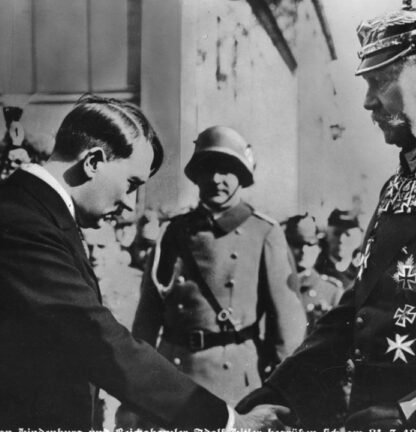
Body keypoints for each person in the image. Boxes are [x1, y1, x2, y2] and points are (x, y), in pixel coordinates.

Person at [237, 3, 416, 430]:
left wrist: (414, 413)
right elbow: (359, 306)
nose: (367, 102)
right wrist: (282, 388)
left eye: (381, 80)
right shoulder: (403, 179)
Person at [0, 95, 291, 430]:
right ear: (93, 161)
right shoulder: (22, 226)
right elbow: (97, 340)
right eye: (131, 184)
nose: (129, 204)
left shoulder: (33, 214)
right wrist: (230, 422)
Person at [117, 126, 307, 427]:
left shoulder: (265, 232)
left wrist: (283, 395)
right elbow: (147, 318)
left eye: (227, 170)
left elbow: (288, 329)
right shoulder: (173, 231)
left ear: (242, 176)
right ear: (196, 175)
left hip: (236, 387)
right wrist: (132, 395)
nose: (217, 179)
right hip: (174, 378)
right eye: (208, 169)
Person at [283, 213, 344, 331]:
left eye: (310, 244)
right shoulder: (274, 285)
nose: (304, 250)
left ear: (319, 248)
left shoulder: (331, 291)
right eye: (297, 244)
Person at [314, 209, 363, 290]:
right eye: (336, 233)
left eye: (348, 234)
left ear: (359, 238)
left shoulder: (363, 268)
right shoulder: (317, 267)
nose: (341, 239)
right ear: (327, 235)